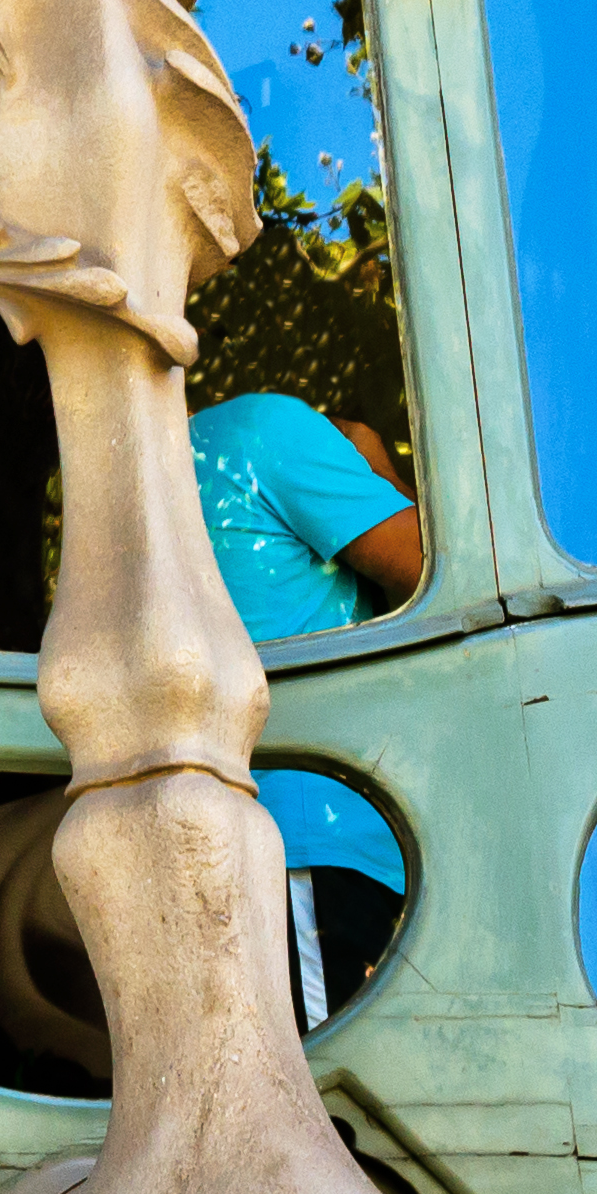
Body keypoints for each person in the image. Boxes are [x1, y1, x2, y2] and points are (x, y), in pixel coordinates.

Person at [187, 384, 426, 1020]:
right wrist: (377, 465)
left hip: (240, 852)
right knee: (326, 1106)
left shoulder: (122, 494)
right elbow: (438, 571)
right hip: (314, 844)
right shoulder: (260, 433)